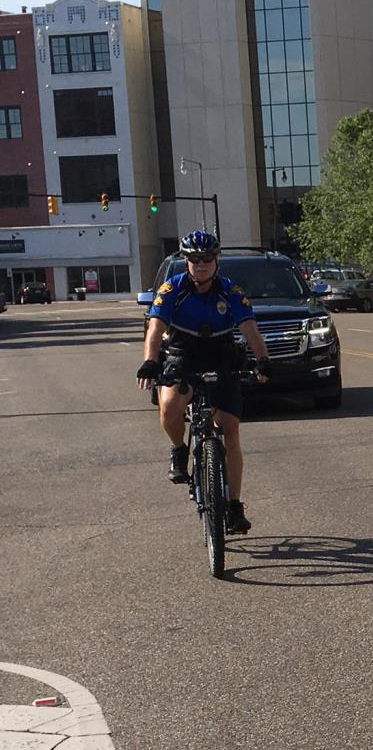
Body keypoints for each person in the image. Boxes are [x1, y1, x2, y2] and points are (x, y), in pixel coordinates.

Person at [136, 229, 271, 534]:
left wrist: (262, 359)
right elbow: (155, 328)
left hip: (221, 354)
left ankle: (234, 506)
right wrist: (150, 361)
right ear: (186, 262)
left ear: (216, 260)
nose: (201, 264)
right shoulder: (173, 288)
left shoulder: (230, 291)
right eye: (195, 259)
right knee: (170, 406)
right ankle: (178, 449)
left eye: (207, 258)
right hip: (183, 352)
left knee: (231, 428)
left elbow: (250, 329)